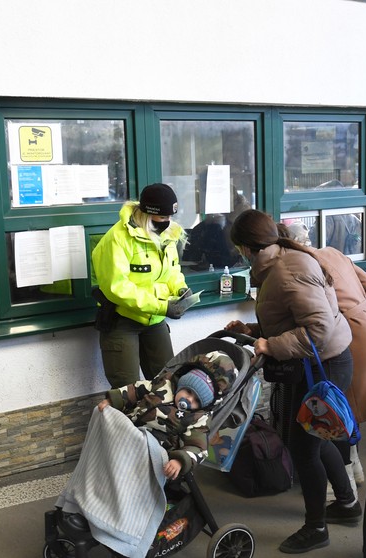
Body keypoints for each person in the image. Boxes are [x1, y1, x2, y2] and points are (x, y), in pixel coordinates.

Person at [224, 209, 357, 554]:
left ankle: (316, 528)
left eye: (239, 248)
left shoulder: (289, 269)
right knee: (316, 436)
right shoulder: (277, 262)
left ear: (248, 247)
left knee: (304, 446)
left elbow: (318, 329)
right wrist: (252, 332)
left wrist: (269, 345)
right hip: (313, 363)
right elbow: (290, 318)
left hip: (324, 366)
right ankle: (346, 503)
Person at [277, 223, 366, 487]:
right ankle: (352, 472)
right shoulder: (332, 252)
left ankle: (343, 485)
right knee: (347, 409)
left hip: (345, 332)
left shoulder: (299, 266)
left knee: (337, 409)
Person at [91, 183, 191, 388]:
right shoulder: (117, 239)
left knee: (167, 382)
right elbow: (117, 287)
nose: (167, 222)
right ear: (147, 214)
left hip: (155, 320)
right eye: (162, 217)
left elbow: (171, 270)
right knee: (127, 390)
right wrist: (162, 306)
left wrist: (180, 288)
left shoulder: (166, 234)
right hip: (122, 320)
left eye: (170, 217)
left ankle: (161, 421)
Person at [96, 359, 223, 479]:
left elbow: (198, 447)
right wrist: (113, 400)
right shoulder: (162, 384)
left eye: (197, 401)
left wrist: (179, 460)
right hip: (128, 429)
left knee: (126, 472)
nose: (190, 400)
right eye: (188, 392)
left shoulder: (197, 418)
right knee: (101, 416)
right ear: (182, 384)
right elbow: (135, 390)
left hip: (154, 450)